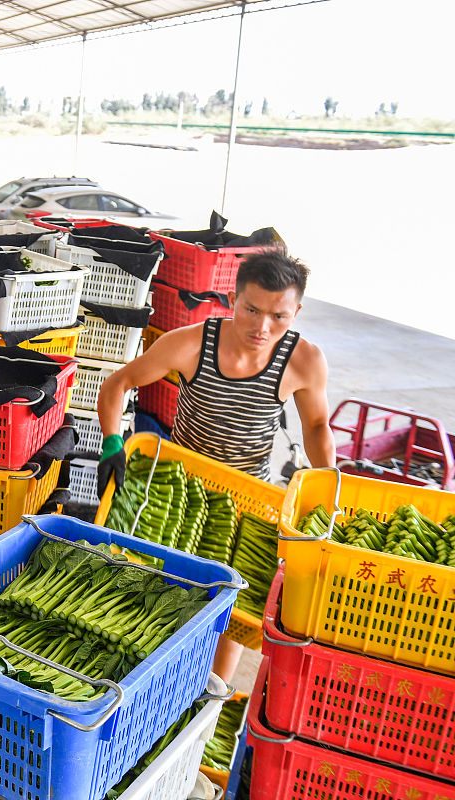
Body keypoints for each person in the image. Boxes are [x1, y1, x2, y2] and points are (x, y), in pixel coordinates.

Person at [95, 248, 335, 681]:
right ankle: (147, 677)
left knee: (233, 607)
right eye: (252, 310)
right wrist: (113, 442)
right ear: (231, 299)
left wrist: (329, 491)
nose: (262, 327)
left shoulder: (303, 361)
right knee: (162, 592)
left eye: (279, 316)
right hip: (177, 489)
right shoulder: (192, 343)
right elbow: (119, 383)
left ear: (296, 311)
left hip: (248, 498)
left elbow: (317, 425)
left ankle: (212, 693)